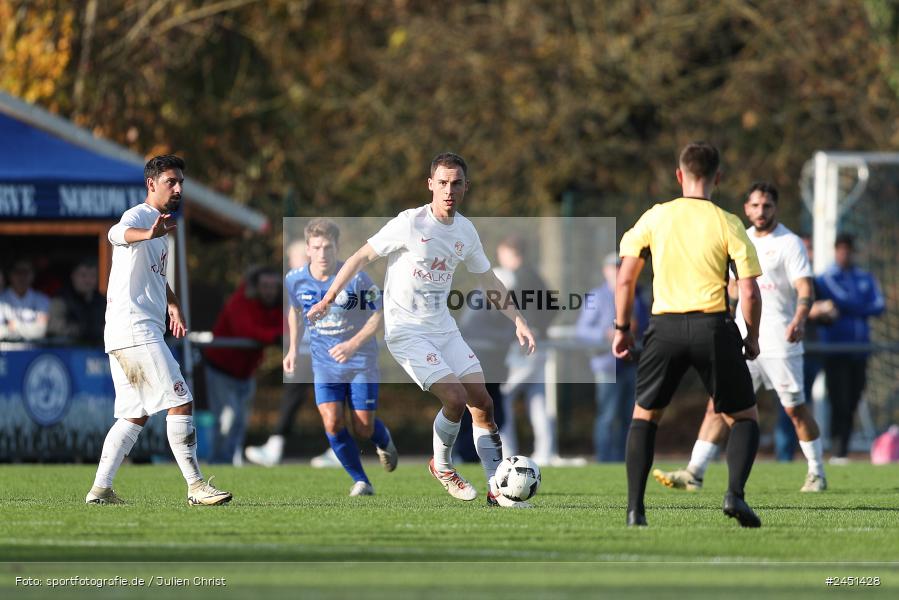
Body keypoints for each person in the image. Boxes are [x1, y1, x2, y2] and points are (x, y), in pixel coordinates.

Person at [306, 152, 537, 508]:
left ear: (465, 187)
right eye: (442, 183)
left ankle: (496, 487)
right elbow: (359, 258)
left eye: (456, 183)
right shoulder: (410, 223)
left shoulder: (466, 231)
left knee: (483, 402)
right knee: (456, 399)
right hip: (406, 332)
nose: (449, 190)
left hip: (444, 327)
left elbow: (488, 279)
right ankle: (442, 467)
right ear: (430, 184)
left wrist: (518, 320)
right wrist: (327, 299)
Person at [614, 142, 763, 528]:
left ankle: (635, 510)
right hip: (712, 327)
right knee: (744, 417)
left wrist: (622, 328)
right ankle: (734, 495)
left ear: (679, 175)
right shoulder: (727, 221)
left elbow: (626, 277)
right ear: (718, 177)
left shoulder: (655, 217)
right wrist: (752, 336)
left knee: (644, 418)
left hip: (663, 328)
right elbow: (748, 290)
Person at [652, 182, 827, 493]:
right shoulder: (739, 235)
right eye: (755, 206)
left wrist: (799, 320)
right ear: (747, 208)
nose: (761, 211)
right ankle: (695, 472)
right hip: (743, 338)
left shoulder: (790, 243)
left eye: (767, 206)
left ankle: (816, 472)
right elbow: (735, 288)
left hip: (780, 340)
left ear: (776, 208)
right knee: (718, 406)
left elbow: (805, 289)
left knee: (794, 409)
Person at [85, 154, 231, 506]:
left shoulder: (160, 227)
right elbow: (115, 233)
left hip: (126, 331)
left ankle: (100, 489)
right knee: (181, 401)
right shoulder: (140, 217)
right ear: (151, 184)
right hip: (135, 329)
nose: (179, 188)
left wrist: (172, 302)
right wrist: (148, 232)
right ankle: (196, 486)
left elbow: (152, 272)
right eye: (171, 182)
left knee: (132, 416)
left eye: (181, 182)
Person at [283, 218, 398, 496]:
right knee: (332, 422)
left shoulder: (355, 277)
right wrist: (293, 349)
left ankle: (384, 440)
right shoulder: (295, 279)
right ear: (308, 249)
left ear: (337, 247)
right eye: (317, 247)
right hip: (325, 364)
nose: (323, 253)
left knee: (362, 428)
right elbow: (295, 312)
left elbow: (380, 313)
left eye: (328, 247)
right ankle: (361, 480)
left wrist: (353, 343)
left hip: (361, 362)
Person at [245, 240, 319, 467]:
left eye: (292, 258)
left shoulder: (308, 282)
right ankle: (276, 445)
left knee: (320, 399)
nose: (289, 263)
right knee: (311, 399)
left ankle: (276, 446)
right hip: (307, 350)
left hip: (313, 351)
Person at [203, 266, 283, 465]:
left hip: (245, 372)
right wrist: (275, 336)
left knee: (239, 421)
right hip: (221, 369)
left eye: (273, 286)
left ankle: (229, 462)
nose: (269, 291)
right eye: (265, 286)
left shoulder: (278, 305)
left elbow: (287, 325)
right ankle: (218, 463)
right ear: (256, 286)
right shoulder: (240, 301)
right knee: (226, 420)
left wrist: (281, 334)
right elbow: (247, 330)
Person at [816, 233, 885, 463]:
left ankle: (841, 448)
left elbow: (878, 305)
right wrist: (858, 306)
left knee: (854, 399)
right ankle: (838, 451)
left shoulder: (865, 277)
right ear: (836, 251)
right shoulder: (827, 278)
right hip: (836, 350)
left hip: (860, 351)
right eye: (841, 249)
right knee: (839, 400)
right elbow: (842, 299)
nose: (844, 254)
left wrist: (852, 307)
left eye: (848, 249)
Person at [576, 253, 649, 462]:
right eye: (613, 267)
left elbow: (645, 326)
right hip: (607, 364)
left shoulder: (636, 295)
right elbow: (582, 330)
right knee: (607, 415)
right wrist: (605, 334)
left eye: (620, 267)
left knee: (629, 415)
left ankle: (626, 459)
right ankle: (605, 459)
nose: (617, 271)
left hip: (631, 363)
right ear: (605, 271)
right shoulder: (595, 297)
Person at [494, 235, 557, 465]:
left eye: (502, 254)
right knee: (538, 399)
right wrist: (541, 328)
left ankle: (507, 450)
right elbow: (553, 306)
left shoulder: (518, 277)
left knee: (504, 397)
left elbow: (516, 309)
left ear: (511, 252)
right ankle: (545, 451)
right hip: (540, 345)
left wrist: (530, 327)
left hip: (526, 347)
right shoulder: (534, 274)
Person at [47, 259, 106, 344]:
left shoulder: (102, 301)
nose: (88, 280)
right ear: (73, 276)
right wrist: (83, 330)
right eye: (83, 275)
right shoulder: (61, 299)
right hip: (68, 351)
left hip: (98, 353)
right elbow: (53, 326)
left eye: (93, 276)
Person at [0, 258, 50, 341]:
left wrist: (15, 326)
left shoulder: (43, 300)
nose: (22, 277)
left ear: (33, 275)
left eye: (26, 272)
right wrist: (30, 328)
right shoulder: (1, 299)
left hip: (35, 351)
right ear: (10, 275)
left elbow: (43, 331)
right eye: (18, 272)